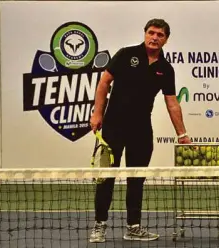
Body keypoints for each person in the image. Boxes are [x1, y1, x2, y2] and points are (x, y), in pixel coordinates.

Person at [89, 18, 191, 243]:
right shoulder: (126, 54)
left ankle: (133, 227)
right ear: (145, 34)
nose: (155, 37)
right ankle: (99, 226)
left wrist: (182, 134)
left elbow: (172, 102)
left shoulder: (165, 68)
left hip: (142, 131)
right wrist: (97, 114)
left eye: (160, 35)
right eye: (151, 33)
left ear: (166, 39)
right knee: (106, 178)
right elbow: (104, 82)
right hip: (113, 127)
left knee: (136, 179)